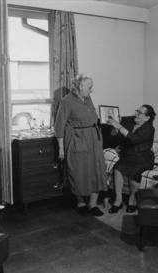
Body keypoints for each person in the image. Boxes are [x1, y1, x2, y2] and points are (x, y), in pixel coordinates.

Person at [54, 74, 107, 216]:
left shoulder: (88, 98)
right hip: (77, 139)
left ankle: (93, 204)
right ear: (80, 87)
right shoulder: (66, 101)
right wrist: (61, 149)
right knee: (78, 172)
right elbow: (59, 127)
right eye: (90, 87)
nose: (92, 90)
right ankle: (81, 202)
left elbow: (93, 117)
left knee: (96, 169)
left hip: (93, 138)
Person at [107, 105, 156, 214]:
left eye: (140, 112)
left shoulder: (149, 129)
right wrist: (115, 128)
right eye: (137, 111)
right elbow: (119, 137)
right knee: (117, 168)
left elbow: (134, 139)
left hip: (142, 158)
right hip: (128, 156)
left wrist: (119, 126)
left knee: (136, 172)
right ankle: (118, 200)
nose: (136, 114)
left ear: (147, 118)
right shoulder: (130, 125)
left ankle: (132, 199)